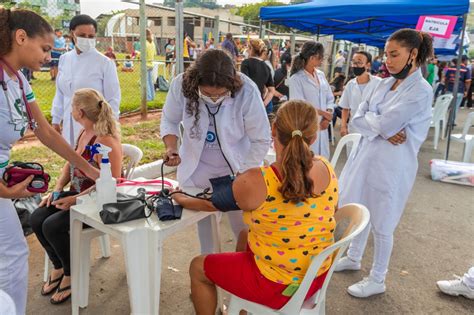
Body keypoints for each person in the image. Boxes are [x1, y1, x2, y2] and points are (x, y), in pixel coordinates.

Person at [171, 101, 338, 315]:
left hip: (278, 286)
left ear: (274, 130)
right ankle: (243, 307)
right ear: (313, 138)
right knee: (244, 234)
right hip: (315, 276)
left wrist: (179, 197)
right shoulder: (326, 167)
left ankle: (246, 299)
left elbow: (210, 203)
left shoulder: (257, 181)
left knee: (197, 267)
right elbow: (330, 212)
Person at [0, 8, 99, 314]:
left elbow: (45, 132)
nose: (48, 57)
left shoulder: (17, 80)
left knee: (12, 254)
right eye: (45, 48)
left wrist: (89, 168)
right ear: (20, 37)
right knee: (13, 255)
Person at [334, 28, 434, 298]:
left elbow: (385, 121)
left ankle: (378, 278)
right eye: (385, 54)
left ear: (413, 54)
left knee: (383, 221)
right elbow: (357, 117)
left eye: (394, 54)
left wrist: (377, 123)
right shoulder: (383, 83)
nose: (387, 61)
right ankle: (354, 257)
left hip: (392, 166)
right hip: (368, 157)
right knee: (362, 209)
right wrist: (381, 127)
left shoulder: (421, 91)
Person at [160, 49, 271, 255]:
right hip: (198, 170)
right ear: (195, 83)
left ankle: (242, 273)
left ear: (231, 84)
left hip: (239, 168)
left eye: (220, 94)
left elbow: (261, 138)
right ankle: (210, 274)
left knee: (244, 230)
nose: (213, 98)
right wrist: (171, 147)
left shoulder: (247, 90)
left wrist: (243, 175)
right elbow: (170, 119)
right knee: (207, 230)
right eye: (207, 94)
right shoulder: (180, 84)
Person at [31, 88, 122, 305]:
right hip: (77, 196)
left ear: (80, 112)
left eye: (71, 106)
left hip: (98, 202)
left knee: (52, 226)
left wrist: (74, 199)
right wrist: (57, 190)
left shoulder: (105, 141)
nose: (69, 110)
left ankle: (72, 274)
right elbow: (70, 162)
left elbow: (114, 182)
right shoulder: (84, 133)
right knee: (36, 218)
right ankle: (59, 266)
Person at [51, 14, 121, 147]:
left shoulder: (104, 62)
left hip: (95, 128)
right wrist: (56, 120)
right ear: (72, 34)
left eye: (91, 36)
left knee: (90, 161)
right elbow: (61, 93)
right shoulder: (64, 59)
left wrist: (109, 129)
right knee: (71, 160)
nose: (87, 39)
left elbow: (113, 98)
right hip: (69, 122)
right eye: (82, 35)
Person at [288, 41, 334, 159]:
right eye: (321, 56)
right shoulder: (296, 79)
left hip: (323, 125)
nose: (322, 59)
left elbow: (329, 97)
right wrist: (324, 114)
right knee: (307, 160)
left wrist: (327, 117)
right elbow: (299, 104)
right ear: (312, 57)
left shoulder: (321, 75)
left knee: (322, 160)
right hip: (307, 125)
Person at [338, 51, 381, 137]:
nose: (355, 65)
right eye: (353, 62)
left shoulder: (378, 83)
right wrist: (343, 126)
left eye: (359, 62)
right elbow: (345, 108)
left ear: (368, 65)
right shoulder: (350, 84)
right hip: (353, 129)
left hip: (372, 130)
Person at [240, 39, 275, 115]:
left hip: (246, 104)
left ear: (251, 49)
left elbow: (245, 85)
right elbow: (272, 90)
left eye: (248, 48)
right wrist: (264, 103)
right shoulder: (266, 67)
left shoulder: (246, 63)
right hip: (259, 104)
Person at [145, 28, 156, 101]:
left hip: (145, 64)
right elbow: (155, 53)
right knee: (150, 82)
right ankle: (152, 96)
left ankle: (148, 97)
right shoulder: (152, 43)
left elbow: (144, 54)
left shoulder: (145, 43)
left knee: (146, 82)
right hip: (151, 64)